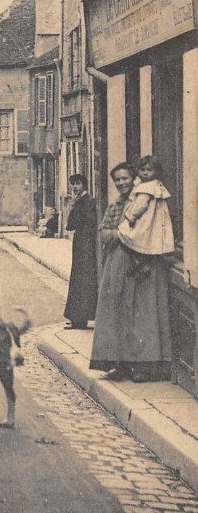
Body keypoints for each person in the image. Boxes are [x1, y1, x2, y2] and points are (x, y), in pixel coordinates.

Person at [90, 162, 172, 383]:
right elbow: (106, 231)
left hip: (143, 260)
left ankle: (144, 365)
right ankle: (120, 362)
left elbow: (149, 229)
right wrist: (111, 234)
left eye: (125, 178)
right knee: (118, 312)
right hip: (119, 261)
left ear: (134, 178)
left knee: (143, 313)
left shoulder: (145, 199)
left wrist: (123, 235)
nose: (120, 183)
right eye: (117, 179)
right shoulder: (117, 204)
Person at [117, 155, 175, 280]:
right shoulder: (156, 185)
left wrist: (131, 217)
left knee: (128, 235)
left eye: (149, 170)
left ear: (156, 172)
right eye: (142, 170)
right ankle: (142, 263)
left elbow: (140, 206)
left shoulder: (146, 187)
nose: (145, 173)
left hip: (146, 220)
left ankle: (139, 263)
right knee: (149, 242)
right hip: (156, 220)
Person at [63, 174, 97, 330]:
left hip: (86, 242)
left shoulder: (87, 201)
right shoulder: (80, 201)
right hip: (81, 241)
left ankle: (80, 317)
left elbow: (78, 222)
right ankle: (78, 318)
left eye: (78, 184)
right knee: (78, 276)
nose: (75, 187)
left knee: (82, 277)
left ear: (85, 185)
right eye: (73, 184)